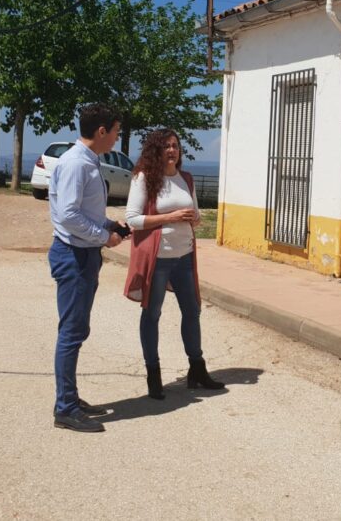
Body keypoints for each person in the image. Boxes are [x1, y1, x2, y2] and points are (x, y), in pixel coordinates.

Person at [124, 128, 223, 400]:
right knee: (152, 314)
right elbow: (132, 219)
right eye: (166, 146)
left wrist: (194, 218)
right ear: (156, 150)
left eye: (175, 146)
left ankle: (197, 369)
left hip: (184, 256)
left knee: (192, 311)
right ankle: (153, 374)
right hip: (158, 258)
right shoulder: (144, 178)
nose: (172, 150)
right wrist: (170, 217)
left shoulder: (186, 178)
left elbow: (196, 216)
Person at [48, 103, 127, 433]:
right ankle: (65, 408)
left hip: (83, 254)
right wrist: (104, 237)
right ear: (101, 131)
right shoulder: (76, 164)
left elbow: (84, 210)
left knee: (76, 330)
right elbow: (68, 215)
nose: (118, 138)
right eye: (116, 132)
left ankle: (70, 397)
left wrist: (109, 225)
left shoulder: (89, 160)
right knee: (72, 332)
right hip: (74, 256)